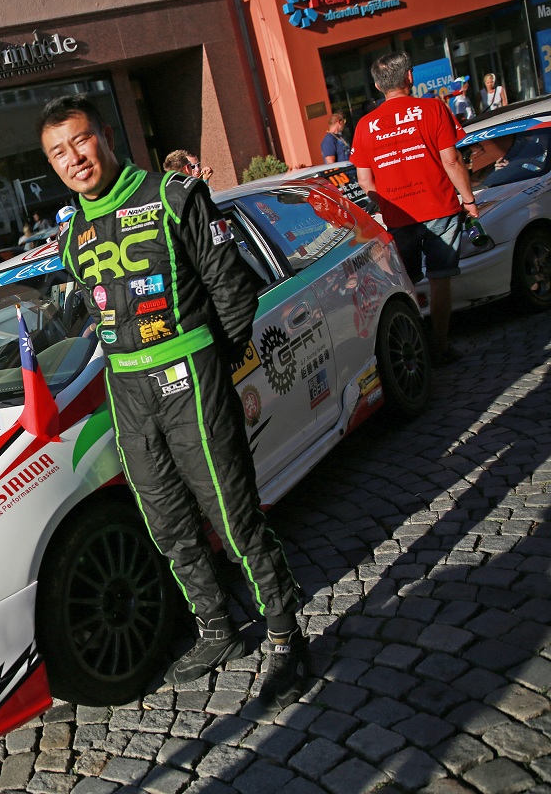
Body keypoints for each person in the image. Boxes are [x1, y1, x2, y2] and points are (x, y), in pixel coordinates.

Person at [37, 95, 307, 716]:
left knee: (233, 516)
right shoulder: (72, 236)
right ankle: (216, 628)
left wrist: (211, 365)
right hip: (128, 393)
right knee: (167, 523)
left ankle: (285, 633)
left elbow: (233, 291)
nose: (73, 159)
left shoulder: (172, 196)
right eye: (57, 153)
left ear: (106, 135)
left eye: (80, 141)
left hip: (191, 376)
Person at [351, 51, 479, 366]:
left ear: (378, 86)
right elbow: (452, 160)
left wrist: (387, 204)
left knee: (402, 285)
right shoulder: (433, 108)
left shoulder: (365, 125)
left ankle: (414, 348)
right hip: (440, 207)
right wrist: (469, 200)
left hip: (398, 216)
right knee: (440, 279)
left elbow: (365, 180)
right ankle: (440, 347)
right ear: (410, 77)